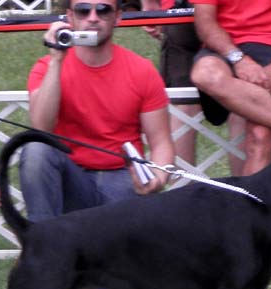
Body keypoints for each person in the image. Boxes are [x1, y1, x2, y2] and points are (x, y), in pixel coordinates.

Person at [19, 0, 175, 222]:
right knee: (36, 150)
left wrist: (158, 178)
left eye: (103, 10)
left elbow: (161, 142)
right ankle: (41, 239)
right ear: (70, 17)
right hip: (72, 178)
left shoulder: (142, 70)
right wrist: (57, 61)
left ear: (118, 17)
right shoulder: (46, 67)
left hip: (122, 178)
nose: (93, 18)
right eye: (83, 10)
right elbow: (41, 129)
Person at [189, 0, 271, 176]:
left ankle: (249, 197)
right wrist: (239, 59)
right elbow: (204, 21)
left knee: (261, 133)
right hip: (225, 48)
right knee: (205, 73)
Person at [140, 0, 245, 175]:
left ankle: (182, 188)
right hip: (234, 13)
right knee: (242, 102)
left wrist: (150, 4)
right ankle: (246, 189)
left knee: (183, 106)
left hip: (183, 11)